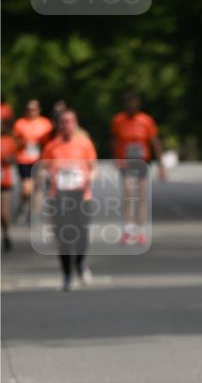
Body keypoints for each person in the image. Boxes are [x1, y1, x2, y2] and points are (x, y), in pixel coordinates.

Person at [41, 109, 97, 292]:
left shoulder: (85, 144)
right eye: (63, 122)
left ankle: (80, 263)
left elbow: (94, 168)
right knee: (64, 238)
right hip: (59, 197)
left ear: (75, 123)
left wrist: (88, 178)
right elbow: (42, 169)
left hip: (81, 195)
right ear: (58, 125)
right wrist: (48, 176)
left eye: (70, 121)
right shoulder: (51, 146)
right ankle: (67, 275)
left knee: (81, 234)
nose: (67, 125)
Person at [110, 92, 165, 244]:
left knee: (141, 196)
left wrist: (161, 164)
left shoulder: (146, 120)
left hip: (142, 161)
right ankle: (128, 230)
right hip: (126, 162)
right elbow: (114, 140)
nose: (131, 106)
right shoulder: (118, 120)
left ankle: (140, 230)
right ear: (125, 105)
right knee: (128, 194)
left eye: (134, 103)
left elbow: (155, 142)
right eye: (129, 104)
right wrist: (115, 158)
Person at [13, 99, 52, 222]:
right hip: (24, 159)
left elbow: (50, 142)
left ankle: (34, 215)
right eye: (29, 109)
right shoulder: (20, 123)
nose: (31, 112)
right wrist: (24, 143)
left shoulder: (46, 123)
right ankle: (23, 205)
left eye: (34, 109)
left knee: (38, 187)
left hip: (40, 160)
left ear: (38, 110)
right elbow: (14, 141)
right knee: (27, 188)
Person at [1, 117, 17, 251]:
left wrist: (7, 159)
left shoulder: (8, 141)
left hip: (4, 180)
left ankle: (6, 234)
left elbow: (14, 157)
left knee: (4, 212)